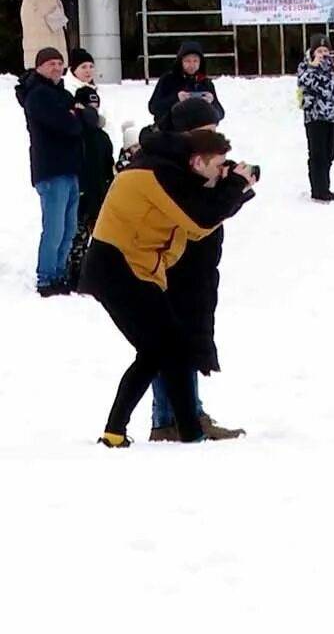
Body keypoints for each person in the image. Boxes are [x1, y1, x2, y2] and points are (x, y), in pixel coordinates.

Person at [86, 127, 253, 446]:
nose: (222, 171)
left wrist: (232, 191)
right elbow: (199, 219)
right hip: (118, 268)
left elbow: (197, 229)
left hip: (136, 270)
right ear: (197, 162)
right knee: (170, 349)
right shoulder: (155, 175)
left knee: (158, 351)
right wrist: (235, 186)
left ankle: (117, 432)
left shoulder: (172, 175)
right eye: (219, 165)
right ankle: (187, 432)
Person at [17, 47, 83, 296]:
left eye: (59, 63)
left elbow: (84, 120)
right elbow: (68, 124)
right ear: (39, 67)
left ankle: (59, 272)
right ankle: (46, 277)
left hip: (70, 168)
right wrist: (74, 117)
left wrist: (76, 116)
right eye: (50, 63)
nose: (56, 67)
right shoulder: (38, 95)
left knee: (69, 227)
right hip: (51, 169)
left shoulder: (61, 93)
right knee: (54, 227)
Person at [65, 48, 117, 284]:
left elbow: (108, 161)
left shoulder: (101, 135)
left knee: (97, 231)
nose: (88, 71)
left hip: (99, 185)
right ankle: (74, 271)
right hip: (82, 185)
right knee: (77, 232)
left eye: (90, 66)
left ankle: (92, 272)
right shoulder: (76, 131)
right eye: (83, 67)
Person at [297, 36, 334, 202]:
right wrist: (313, 66)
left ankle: (325, 187)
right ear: (313, 52)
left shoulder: (333, 67)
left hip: (332, 116)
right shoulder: (305, 66)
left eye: (326, 51)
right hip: (314, 116)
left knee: (330, 152)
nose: (323, 54)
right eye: (319, 51)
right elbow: (303, 82)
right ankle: (318, 190)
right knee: (317, 153)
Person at [146, 40, 224, 126]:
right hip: (171, 130)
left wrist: (211, 102)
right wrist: (176, 98)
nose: (192, 65)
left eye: (195, 61)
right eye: (187, 61)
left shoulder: (206, 83)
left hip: (198, 131)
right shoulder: (167, 80)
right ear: (181, 61)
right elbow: (153, 107)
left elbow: (220, 114)